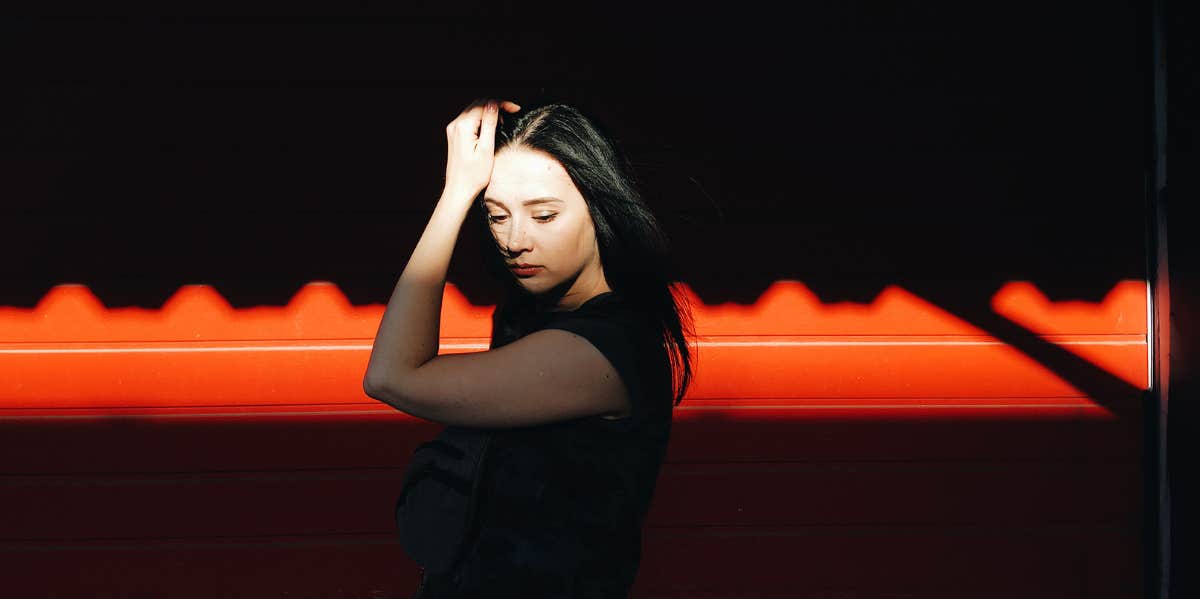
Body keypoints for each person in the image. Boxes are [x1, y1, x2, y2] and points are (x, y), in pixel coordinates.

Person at [363, 98, 694, 598]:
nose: (515, 240)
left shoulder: (601, 350)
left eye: (544, 215)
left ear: (600, 207)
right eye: (496, 215)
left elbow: (390, 376)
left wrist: (455, 194)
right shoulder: (535, 319)